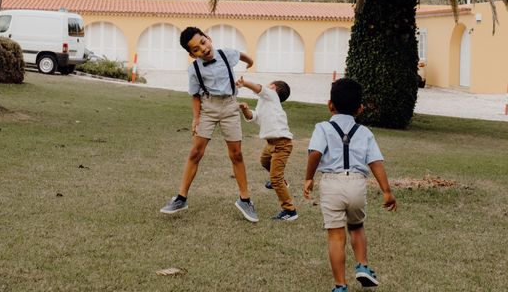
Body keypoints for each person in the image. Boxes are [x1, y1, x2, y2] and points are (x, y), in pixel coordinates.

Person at [304, 78, 397, 291]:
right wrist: (387, 191)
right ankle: (363, 266)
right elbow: (376, 162)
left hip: (331, 184)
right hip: (356, 183)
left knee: (336, 236)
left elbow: (315, 153)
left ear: (330, 105)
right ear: (360, 108)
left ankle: (340, 286)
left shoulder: (323, 128)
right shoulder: (364, 132)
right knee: (356, 226)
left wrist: (309, 177)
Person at [160, 26, 258, 222]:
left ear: (208, 39)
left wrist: (250, 63)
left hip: (230, 106)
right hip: (208, 108)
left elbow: (242, 55)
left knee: (236, 154)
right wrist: (196, 118)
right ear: (191, 54)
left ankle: (245, 200)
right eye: (196, 49)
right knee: (196, 152)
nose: (203, 49)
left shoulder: (226, 54)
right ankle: (181, 198)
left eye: (203, 43)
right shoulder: (194, 69)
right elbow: (195, 96)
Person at [237, 76, 298, 221]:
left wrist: (244, 83)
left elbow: (258, 87)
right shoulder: (264, 103)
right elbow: (253, 117)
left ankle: (290, 211)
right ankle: (281, 182)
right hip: (271, 144)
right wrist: (245, 110)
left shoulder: (272, 96)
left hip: (282, 144)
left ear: (272, 88)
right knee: (265, 161)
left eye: (268, 85)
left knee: (275, 178)